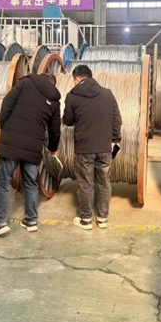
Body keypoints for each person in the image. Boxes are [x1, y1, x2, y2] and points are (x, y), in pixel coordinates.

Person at [0, 73, 61, 236]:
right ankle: (31, 220)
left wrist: (5, 128)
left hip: (11, 141)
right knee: (30, 183)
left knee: (3, 182)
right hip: (33, 147)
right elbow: (55, 129)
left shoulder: (25, 83)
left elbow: (7, 103)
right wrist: (52, 148)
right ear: (53, 85)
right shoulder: (54, 101)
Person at [63, 65, 122, 230]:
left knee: (86, 184)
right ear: (90, 76)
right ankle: (102, 218)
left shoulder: (72, 96)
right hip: (105, 147)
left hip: (84, 148)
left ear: (76, 79)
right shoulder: (107, 94)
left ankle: (86, 219)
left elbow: (68, 121)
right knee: (104, 183)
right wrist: (115, 139)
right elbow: (117, 119)